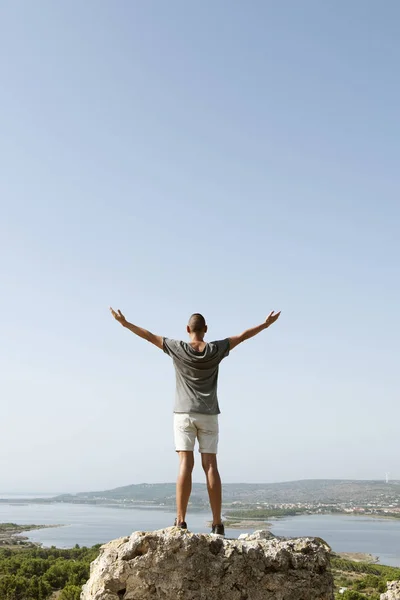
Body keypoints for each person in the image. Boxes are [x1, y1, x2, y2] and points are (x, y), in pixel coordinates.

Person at [110, 308, 281, 536]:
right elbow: (242, 336)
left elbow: (149, 335)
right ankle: (217, 524)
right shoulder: (215, 349)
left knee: (185, 465)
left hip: (183, 414)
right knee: (210, 466)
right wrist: (265, 324)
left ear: (188, 329)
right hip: (209, 414)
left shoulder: (177, 348)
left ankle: (180, 521)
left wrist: (125, 323)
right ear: (206, 330)